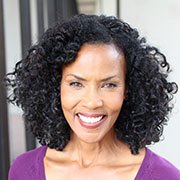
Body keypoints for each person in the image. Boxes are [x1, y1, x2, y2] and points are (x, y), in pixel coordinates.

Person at [6, 14, 180, 180]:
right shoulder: (23, 170)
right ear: (55, 87)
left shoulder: (164, 175)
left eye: (109, 85)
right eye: (76, 83)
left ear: (128, 90)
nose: (92, 102)